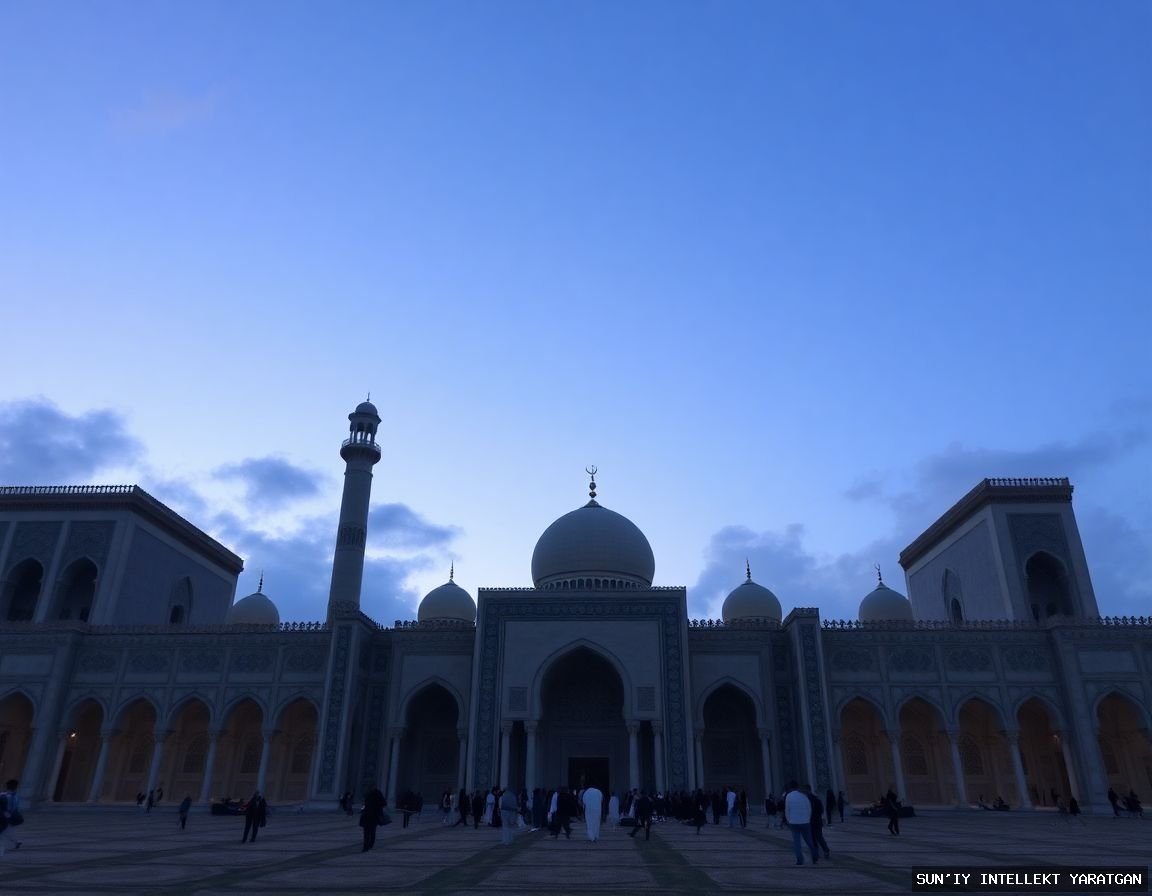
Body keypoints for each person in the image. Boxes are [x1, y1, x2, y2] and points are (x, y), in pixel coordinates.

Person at [784, 781, 817, 866]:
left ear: (790, 788)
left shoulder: (789, 796)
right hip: (805, 822)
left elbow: (787, 810)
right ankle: (815, 855)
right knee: (809, 840)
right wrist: (807, 819)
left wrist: (789, 820)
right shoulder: (804, 796)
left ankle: (799, 860)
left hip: (793, 822)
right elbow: (809, 808)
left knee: (797, 843)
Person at [805, 785, 831, 861]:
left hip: (813, 822)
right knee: (817, 837)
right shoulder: (816, 799)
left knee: (816, 837)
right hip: (815, 821)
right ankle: (820, 852)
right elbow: (821, 810)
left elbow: (820, 811)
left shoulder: (811, 800)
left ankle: (821, 851)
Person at [0, 780, 22, 854]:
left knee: (4, 830)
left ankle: (15, 842)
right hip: (5, 816)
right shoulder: (14, 796)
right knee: (4, 830)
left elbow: (15, 807)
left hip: (6, 817)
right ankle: (16, 842)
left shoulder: (5, 795)